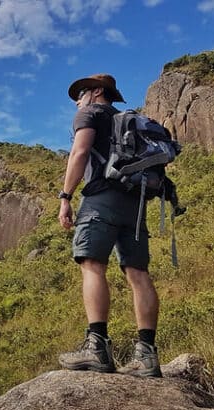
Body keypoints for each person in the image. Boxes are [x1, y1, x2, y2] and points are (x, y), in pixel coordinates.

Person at [56, 73, 162, 378]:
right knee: (138, 274)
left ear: (97, 91)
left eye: (81, 92)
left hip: (101, 199)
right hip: (136, 203)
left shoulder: (89, 113)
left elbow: (80, 152)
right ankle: (147, 355)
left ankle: (97, 348)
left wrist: (66, 196)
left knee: (91, 265)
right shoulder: (128, 120)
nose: (78, 99)